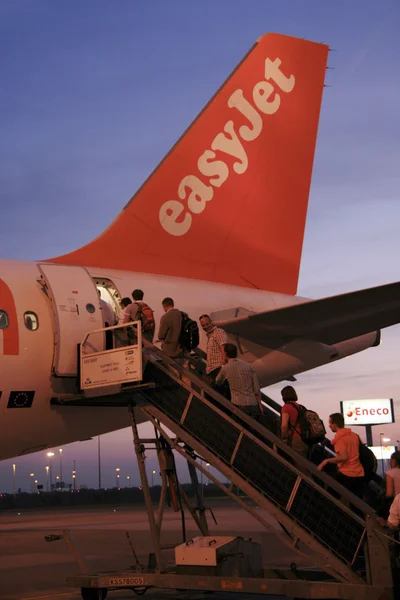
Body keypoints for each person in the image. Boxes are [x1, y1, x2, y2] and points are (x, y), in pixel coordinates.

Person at [318, 413, 364, 498]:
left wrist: (326, 461)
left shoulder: (340, 439)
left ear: (335, 424)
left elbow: (343, 457)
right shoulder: (354, 435)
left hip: (347, 474)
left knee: (331, 497)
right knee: (357, 504)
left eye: (330, 423)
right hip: (360, 473)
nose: (329, 426)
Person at [215, 343, 263, 418]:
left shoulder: (226, 368)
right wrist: (259, 404)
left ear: (225, 354)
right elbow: (256, 389)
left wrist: (223, 364)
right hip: (253, 405)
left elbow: (218, 381)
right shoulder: (248, 366)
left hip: (239, 406)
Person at [280, 386, 309, 459]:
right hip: (305, 439)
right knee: (304, 462)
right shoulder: (301, 407)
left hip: (295, 439)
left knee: (298, 464)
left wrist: (283, 438)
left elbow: (284, 426)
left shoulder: (286, 407)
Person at [199, 314, 228, 383]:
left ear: (211, 322)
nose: (205, 327)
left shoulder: (218, 332)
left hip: (218, 369)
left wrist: (223, 367)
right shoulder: (210, 335)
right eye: (203, 325)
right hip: (213, 370)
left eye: (207, 324)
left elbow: (223, 349)